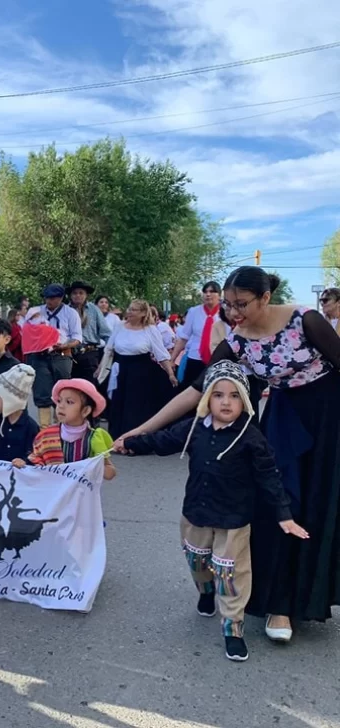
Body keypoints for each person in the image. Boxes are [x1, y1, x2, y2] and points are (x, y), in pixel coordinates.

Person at [116, 266, 340, 643]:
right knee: (277, 505)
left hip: (328, 418)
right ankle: (278, 603)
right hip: (283, 422)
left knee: (316, 506)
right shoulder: (237, 341)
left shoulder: (306, 319)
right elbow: (196, 389)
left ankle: (308, 596)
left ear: (265, 297)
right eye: (229, 305)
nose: (233, 313)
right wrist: (143, 430)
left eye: (241, 304)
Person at [121, 361, 309, 662]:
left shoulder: (251, 438)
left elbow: (270, 478)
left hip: (233, 520)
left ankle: (232, 629)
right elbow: (163, 441)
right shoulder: (195, 428)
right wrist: (131, 444)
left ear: (245, 401)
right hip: (195, 513)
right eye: (218, 394)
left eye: (234, 396)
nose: (226, 401)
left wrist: (284, 516)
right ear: (207, 398)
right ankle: (205, 591)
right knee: (198, 563)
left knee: (231, 574)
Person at [102, 299, 177, 440]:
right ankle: (117, 438)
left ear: (143, 313)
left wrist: (170, 374)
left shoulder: (150, 330)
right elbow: (109, 349)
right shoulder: (120, 326)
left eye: (134, 310)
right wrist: (101, 369)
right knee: (119, 404)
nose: (129, 312)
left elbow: (161, 354)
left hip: (141, 372)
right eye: (129, 309)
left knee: (136, 406)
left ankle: (135, 440)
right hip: (121, 370)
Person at [29, 379, 116, 479]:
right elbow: (34, 461)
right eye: (59, 401)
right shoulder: (46, 436)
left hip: (81, 492)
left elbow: (110, 473)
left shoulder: (94, 438)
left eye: (69, 402)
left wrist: (96, 468)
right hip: (53, 491)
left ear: (85, 411)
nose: (61, 406)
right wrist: (22, 464)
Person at [25, 284, 83, 429]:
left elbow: (77, 338)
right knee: (42, 392)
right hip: (40, 355)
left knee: (61, 392)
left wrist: (64, 345)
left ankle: (60, 427)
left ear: (61, 298)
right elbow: (27, 330)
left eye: (52, 298)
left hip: (61, 355)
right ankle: (44, 429)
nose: (48, 301)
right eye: (46, 298)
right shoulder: (37, 311)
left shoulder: (70, 313)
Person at [170, 281, 223, 389]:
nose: (208, 294)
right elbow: (184, 338)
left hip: (217, 360)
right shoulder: (194, 312)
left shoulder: (226, 313)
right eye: (205, 291)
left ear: (219, 295)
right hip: (195, 358)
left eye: (212, 291)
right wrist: (172, 359)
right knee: (190, 393)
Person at [68, 281, 111, 382]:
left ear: (86, 295)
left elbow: (106, 333)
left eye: (81, 293)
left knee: (90, 386)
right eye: (75, 293)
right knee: (71, 387)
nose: (78, 295)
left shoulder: (94, 310)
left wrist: (108, 355)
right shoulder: (66, 310)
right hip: (69, 354)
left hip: (89, 353)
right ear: (70, 295)